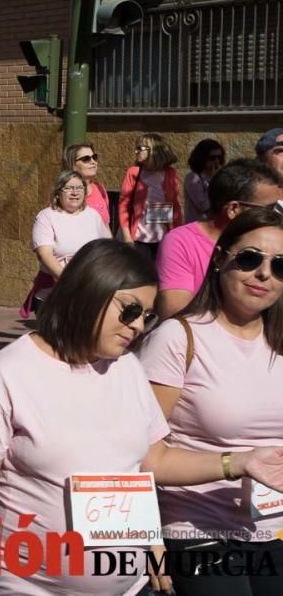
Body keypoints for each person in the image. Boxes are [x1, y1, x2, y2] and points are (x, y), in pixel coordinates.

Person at [0, 238, 283, 596]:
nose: (138, 326)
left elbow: (151, 463)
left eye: (146, 316)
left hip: (134, 587)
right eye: (129, 310)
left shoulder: (128, 369)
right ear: (89, 292)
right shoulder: (6, 374)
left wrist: (241, 462)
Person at [140, 206, 283, 595]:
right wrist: (236, 463)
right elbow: (141, 458)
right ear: (220, 259)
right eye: (250, 258)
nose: (264, 274)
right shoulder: (177, 338)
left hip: (274, 529)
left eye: (280, 265)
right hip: (196, 528)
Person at [156, 159, 281, 318]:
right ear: (233, 209)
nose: (275, 216)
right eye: (269, 209)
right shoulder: (180, 242)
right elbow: (174, 313)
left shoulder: (272, 244)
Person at [20, 170, 110, 318]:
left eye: (80, 188)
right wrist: (70, 282)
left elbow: (106, 250)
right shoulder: (46, 217)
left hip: (89, 291)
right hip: (54, 293)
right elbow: (45, 255)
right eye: (69, 188)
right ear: (58, 192)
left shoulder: (93, 215)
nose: (75, 192)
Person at [119, 133, 181, 261]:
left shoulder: (170, 173)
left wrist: (176, 235)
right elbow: (123, 205)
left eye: (140, 148)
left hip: (164, 239)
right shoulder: (134, 172)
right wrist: (127, 238)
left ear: (153, 150)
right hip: (139, 239)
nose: (136, 151)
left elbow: (175, 206)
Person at [61, 142, 109, 226]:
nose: (93, 162)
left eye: (94, 157)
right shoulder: (63, 194)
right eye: (86, 159)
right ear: (73, 165)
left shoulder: (100, 189)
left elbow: (105, 225)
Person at [182, 139, 225, 223]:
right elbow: (204, 206)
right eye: (212, 158)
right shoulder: (193, 178)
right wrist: (214, 181)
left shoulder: (221, 175)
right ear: (202, 158)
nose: (217, 161)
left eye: (219, 157)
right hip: (197, 226)